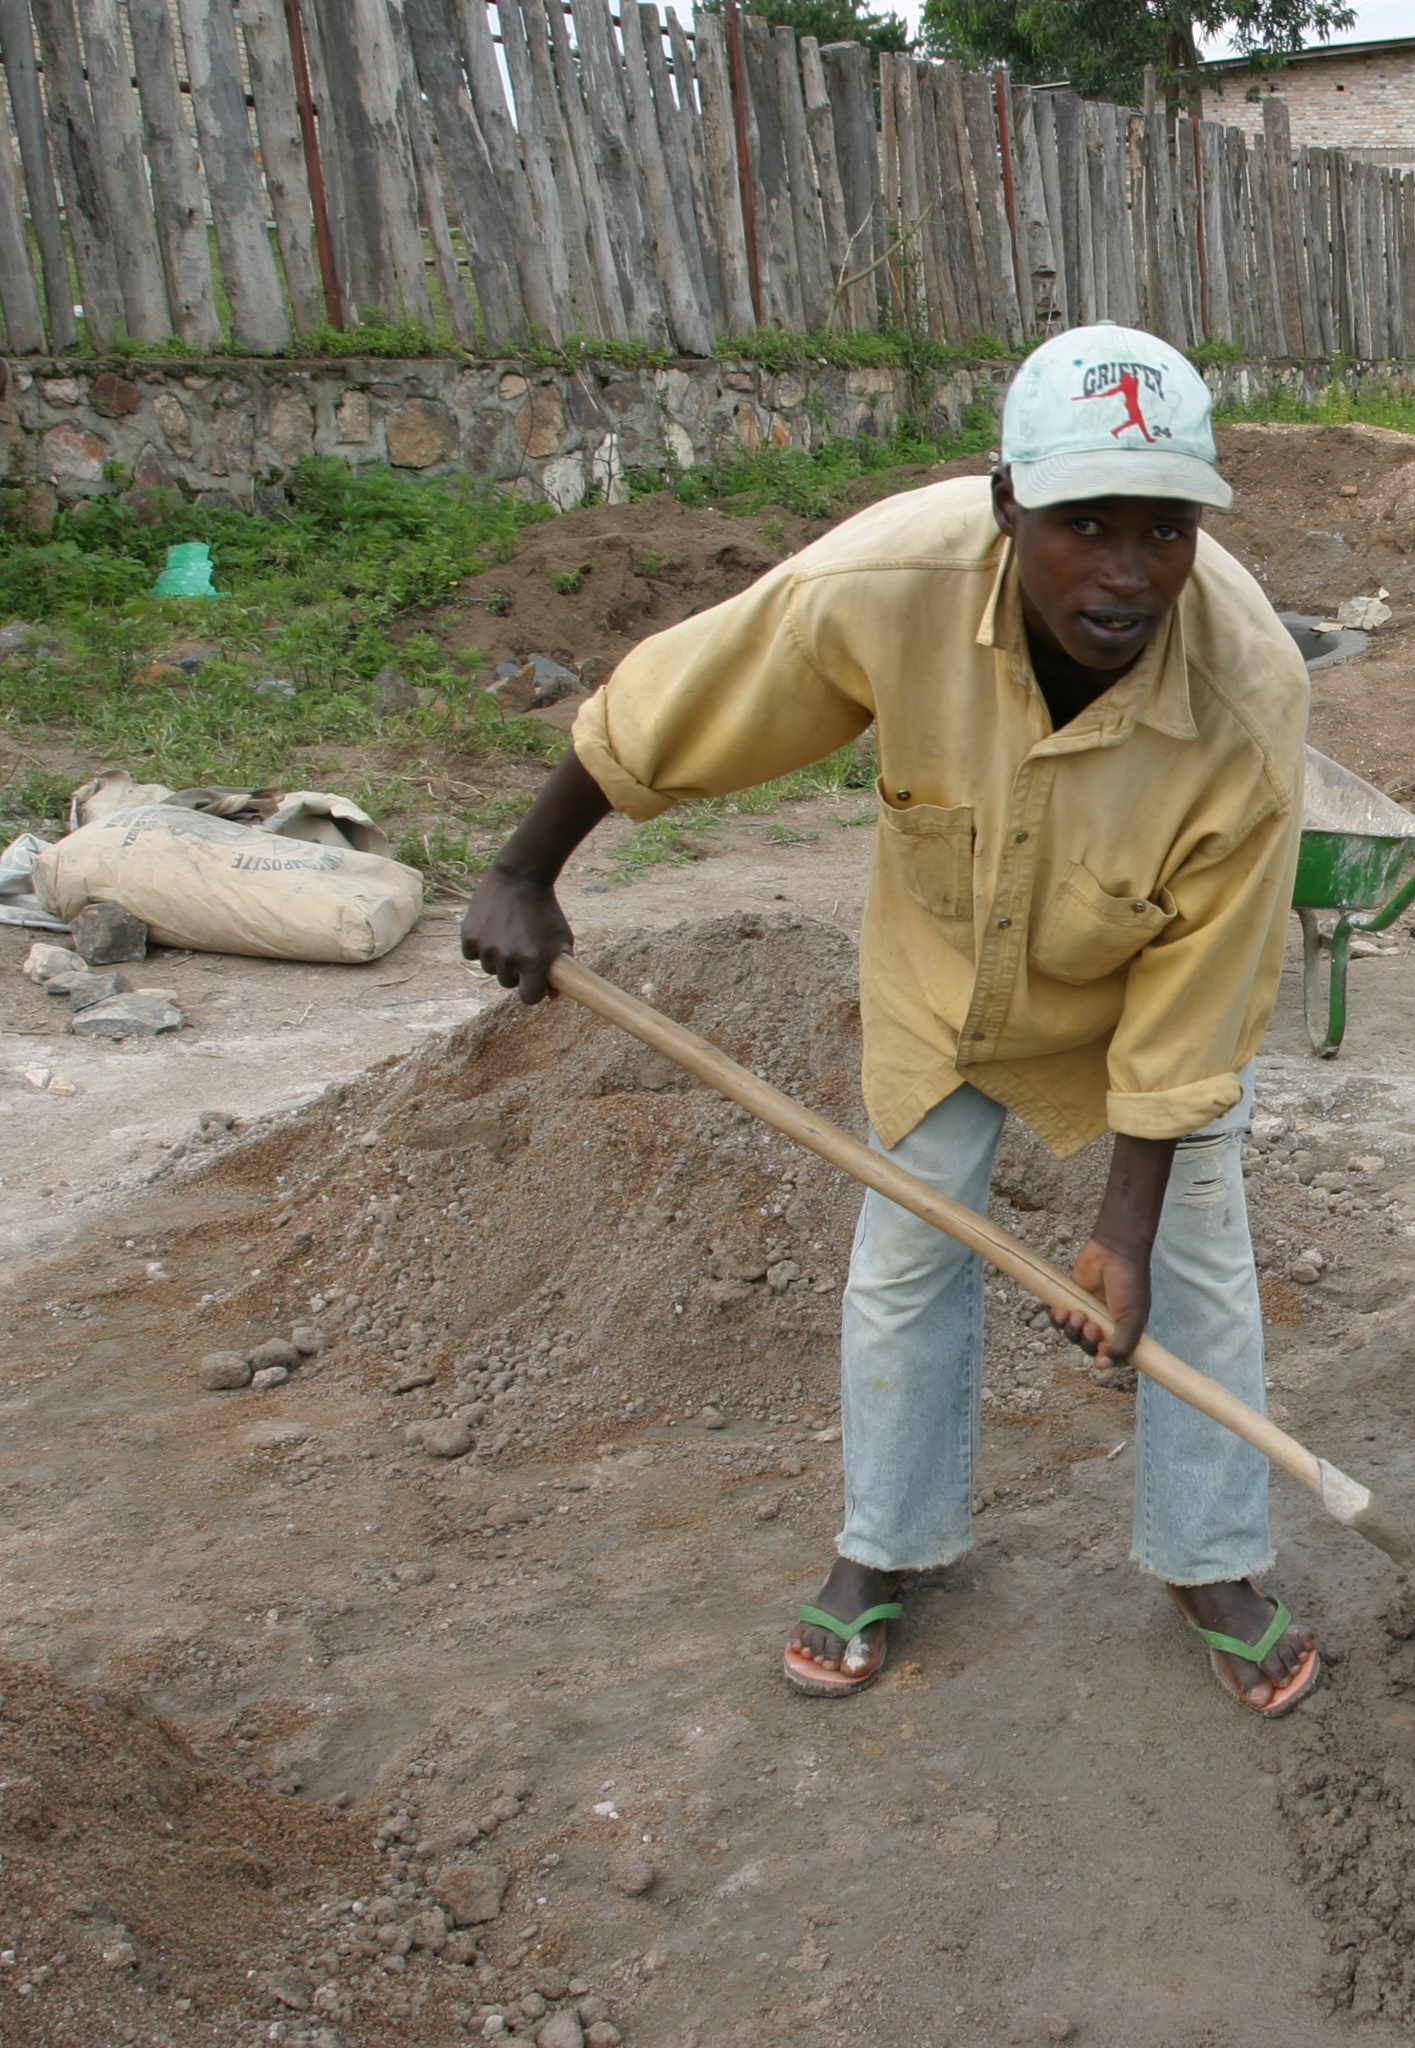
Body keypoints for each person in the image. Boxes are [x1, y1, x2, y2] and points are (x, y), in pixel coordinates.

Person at [461, 326, 1323, 1716]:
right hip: (944, 971)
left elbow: (1207, 986)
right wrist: (522, 869)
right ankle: (887, 1545)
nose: (1124, 571)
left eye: (1164, 530)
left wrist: (1117, 1225)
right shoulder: (884, 585)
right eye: (1081, 524)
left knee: (1197, 1272)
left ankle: (1209, 1556)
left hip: (1132, 989)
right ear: (1004, 506)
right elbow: (681, 707)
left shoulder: (1248, 692)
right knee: (907, 1262)